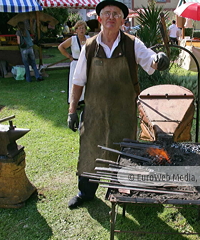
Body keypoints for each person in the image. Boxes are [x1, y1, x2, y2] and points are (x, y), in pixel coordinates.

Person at [67, 0, 170, 209]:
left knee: (123, 152)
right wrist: (71, 111)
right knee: (90, 150)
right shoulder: (89, 47)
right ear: (99, 19)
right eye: (107, 13)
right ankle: (85, 193)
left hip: (124, 111)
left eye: (116, 14)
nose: (111, 17)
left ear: (123, 20)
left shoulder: (133, 44)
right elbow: (78, 82)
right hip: (94, 112)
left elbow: (150, 59)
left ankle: (121, 192)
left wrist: (159, 59)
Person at [58, 20, 90, 105]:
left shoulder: (88, 39)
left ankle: (84, 100)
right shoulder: (72, 39)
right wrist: (69, 56)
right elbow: (61, 47)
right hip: (75, 63)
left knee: (86, 82)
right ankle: (75, 102)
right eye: (79, 28)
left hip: (86, 63)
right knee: (75, 83)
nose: (81, 30)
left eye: (83, 28)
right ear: (76, 30)